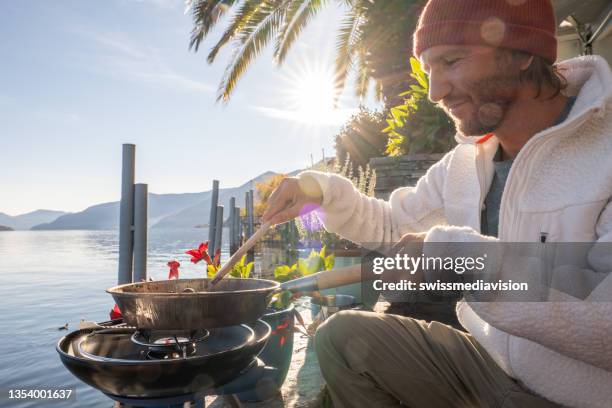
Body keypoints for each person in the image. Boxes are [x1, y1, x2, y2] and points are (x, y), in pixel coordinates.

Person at [262, 0, 612, 406]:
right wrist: (321, 190)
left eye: (451, 61)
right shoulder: (466, 162)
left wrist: (461, 258)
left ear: (521, 52)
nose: (435, 91)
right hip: (489, 365)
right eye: (429, 71)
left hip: (573, 396)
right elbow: (394, 227)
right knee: (342, 338)